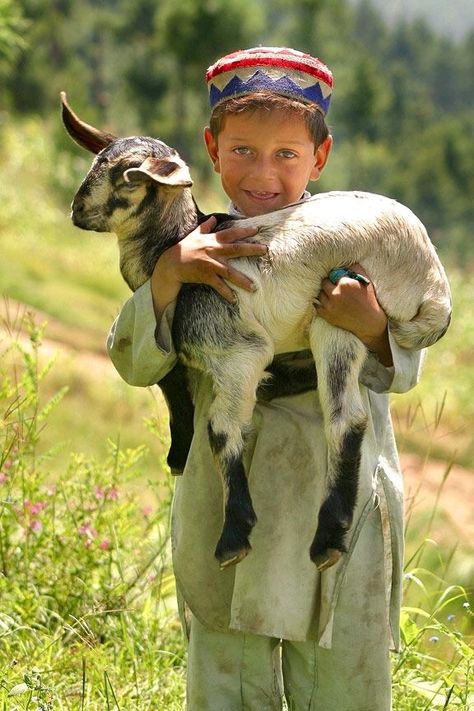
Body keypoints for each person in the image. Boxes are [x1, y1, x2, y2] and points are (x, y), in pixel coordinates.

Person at [107, 47, 424, 711]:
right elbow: (137, 362)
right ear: (211, 151)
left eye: (286, 154)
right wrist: (167, 276)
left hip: (334, 502)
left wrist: (370, 326)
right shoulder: (192, 250)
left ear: (321, 157)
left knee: (344, 683)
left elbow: (404, 364)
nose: (263, 173)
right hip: (229, 502)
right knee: (229, 682)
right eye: (244, 150)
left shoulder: (349, 242)